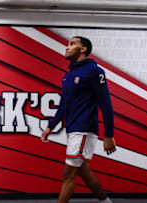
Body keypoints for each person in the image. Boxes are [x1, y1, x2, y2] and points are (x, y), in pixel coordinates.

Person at [41, 36, 116, 203]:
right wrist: (50, 127)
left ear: (83, 49)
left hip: (84, 128)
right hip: (72, 129)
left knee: (68, 173)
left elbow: (106, 105)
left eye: (72, 44)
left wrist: (109, 135)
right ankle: (106, 202)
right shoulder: (68, 76)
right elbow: (63, 105)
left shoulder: (94, 71)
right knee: (83, 171)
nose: (67, 47)